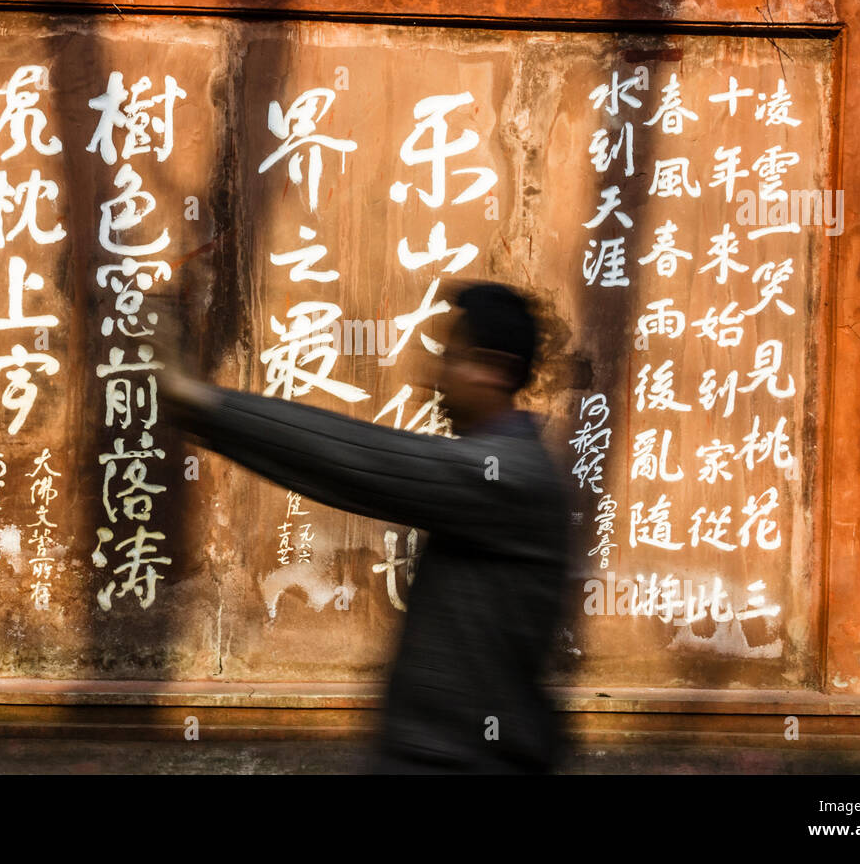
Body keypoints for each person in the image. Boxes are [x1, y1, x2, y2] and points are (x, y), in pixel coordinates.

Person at [156, 281, 579, 773]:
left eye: (450, 357)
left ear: (492, 369)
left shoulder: (508, 476)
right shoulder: (499, 468)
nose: (433, 378)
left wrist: (201, 405)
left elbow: (360, 459)